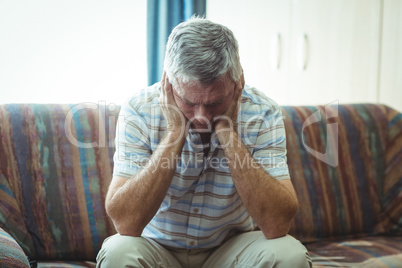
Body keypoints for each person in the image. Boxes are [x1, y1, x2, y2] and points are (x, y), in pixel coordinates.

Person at [96, 18, 311, 267]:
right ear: (169, 82)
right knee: (118, 252)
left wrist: (228, 132)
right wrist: (175, 132)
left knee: (289, 254)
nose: (202, 117)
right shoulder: (139, 110)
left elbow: (277, 225)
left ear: (238, 81)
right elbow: (125, 223)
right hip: (157, 249)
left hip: (230, 249)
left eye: (215, 102)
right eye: (188, 101)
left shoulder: (263, 112)